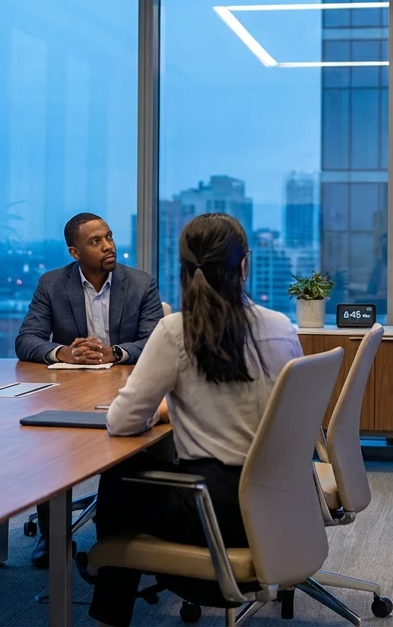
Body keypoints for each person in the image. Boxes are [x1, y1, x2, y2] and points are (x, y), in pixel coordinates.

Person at [84, 212, 303, 627]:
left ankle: (108, 597)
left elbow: (123, 422)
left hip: (217, 513)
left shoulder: (175, 331)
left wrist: (160, 409)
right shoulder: (281, 328)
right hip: (284, 504)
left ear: (185, 269)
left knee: (121, 475)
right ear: (244, 265)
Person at [14, 212, 164, 566]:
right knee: (48, 443)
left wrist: (114, 353)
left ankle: (124, 535)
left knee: (132, 446)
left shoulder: (142, 284)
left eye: (109, 237)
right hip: (70, 391)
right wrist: (63, 352)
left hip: (126, 389)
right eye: (96, 242)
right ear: (74, 252)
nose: (108, 246)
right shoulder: (52, 284)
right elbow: (26, 340)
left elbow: (156, 341)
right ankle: (53, 538)